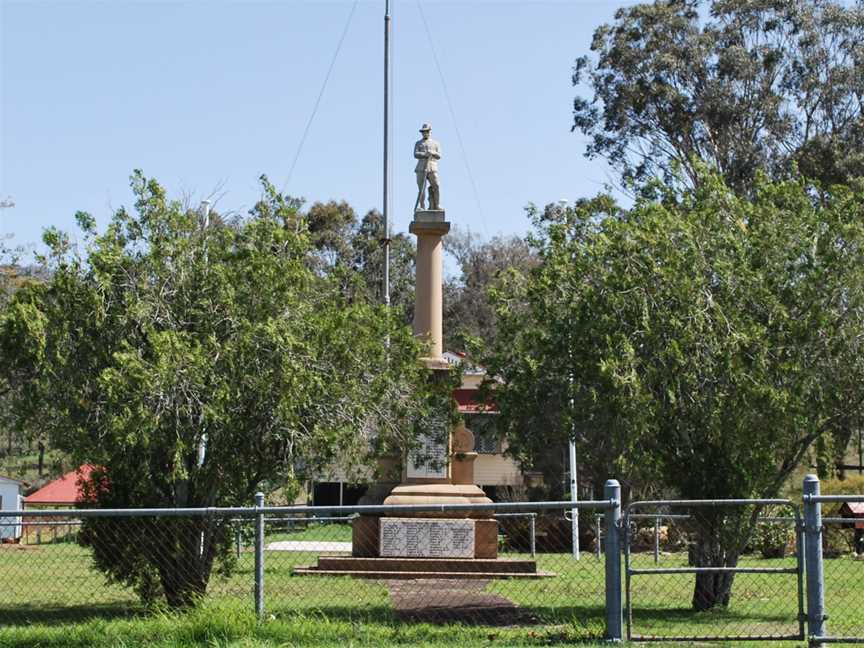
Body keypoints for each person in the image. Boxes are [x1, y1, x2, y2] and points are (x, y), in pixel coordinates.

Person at [414, 123, 441, 210]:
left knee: (436, 185)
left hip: (432, 167)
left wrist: (432, 153)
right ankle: (422, 206)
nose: (425, 133)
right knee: (421, 188)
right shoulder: (418, 143)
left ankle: (437, 204)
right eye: (423, 132)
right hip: (421, 167)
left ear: (430, 132)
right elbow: (415, 154)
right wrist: (425, 154)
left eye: (426, 131)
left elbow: (439, 155)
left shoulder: (435, 143)